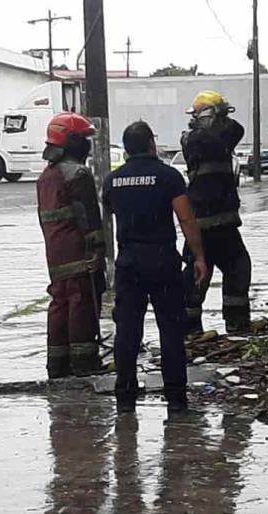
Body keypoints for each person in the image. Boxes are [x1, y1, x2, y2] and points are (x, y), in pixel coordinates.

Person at [103, 121, 208, 415]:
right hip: (162, 261)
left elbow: (110, 217)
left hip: (128, 264)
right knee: (171, 329)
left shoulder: (112, 180)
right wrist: (199, 256)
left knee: (127, 330)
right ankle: (175, 396)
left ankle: (125, 394)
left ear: (126, 149)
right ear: (151, 144)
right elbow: (186, 219)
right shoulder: (169, 177)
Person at [36, 112, 106, 378]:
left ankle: (58, 364)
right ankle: (84, 363)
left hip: (55, 253)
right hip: (78, 252)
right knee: (82, 303)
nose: (87, 145)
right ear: (72, 141)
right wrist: (97, 252)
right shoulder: (77, 174)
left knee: (60, 304)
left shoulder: (46, 176)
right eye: (84, 139)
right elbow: (89, 219)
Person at [181, 91, 251, 335]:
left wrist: (220, 111)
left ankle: (237, 324)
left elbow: (237, 129)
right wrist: (213, 115)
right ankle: (189, 329)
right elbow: (210, 139)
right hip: (201, 222)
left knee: (238, 269)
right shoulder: (192, 139)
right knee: (197, 275)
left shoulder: (222, 135)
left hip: (224, 221)